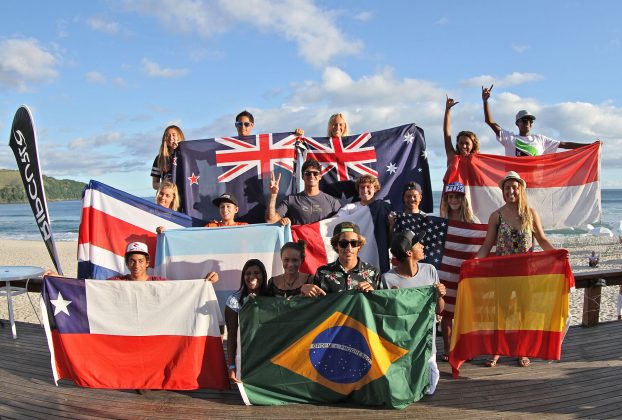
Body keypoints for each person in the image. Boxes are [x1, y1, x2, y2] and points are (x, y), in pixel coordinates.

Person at [474, 171, 555, 368]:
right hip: (502, 273)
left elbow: (542, 240)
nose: (511, 191)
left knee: (523, 313)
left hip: (526, 273)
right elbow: (486, 246)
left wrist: (557, 254)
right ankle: (497, 351)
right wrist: (475, 261)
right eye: (507, 188)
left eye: (514, 188)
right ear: (502, 191)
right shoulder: (497, 216)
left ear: (521, 190)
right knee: (500, 313)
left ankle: (522, 350)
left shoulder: (530, 214)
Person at [382, 230, 446, 394]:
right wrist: (394, 301)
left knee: (429, 390)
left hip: (427, 346)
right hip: (402, 348)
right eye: (418, 244)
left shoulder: (430, 270)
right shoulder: (387, 280)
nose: (423, 246)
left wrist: (439, 296)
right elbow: (387, 320)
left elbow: (439, 309)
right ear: (409, 252)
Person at [482, 85, 592, 157]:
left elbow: (563, 144)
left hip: (535, 184)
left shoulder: (540, 139)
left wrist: (589, 146)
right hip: (515, 185)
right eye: (524, 120)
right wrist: (485, 101)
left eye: (530, 121)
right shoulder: (509, 138)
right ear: (517, 123)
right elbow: (490, 122)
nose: (528, 123)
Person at [437, 181, 479, 360]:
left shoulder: (472, 221)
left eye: (457, 197)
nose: (453, 200)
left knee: (464, 313)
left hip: (464, 273)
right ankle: (447, 349)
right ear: (446, 199)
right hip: (444, 272)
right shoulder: (441, 221)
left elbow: (480, 244)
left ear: (463, 199)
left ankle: (464, 348)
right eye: (450, 197)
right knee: (446, 312)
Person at [301, 222, 385, 296]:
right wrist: (304, 290)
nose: (349, 247)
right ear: (336, 246)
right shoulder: (322, 273)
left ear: (359, 246)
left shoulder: (373, 272)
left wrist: (373, 294)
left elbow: (382, 307)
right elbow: (314, 306)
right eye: (343, 243)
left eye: (353, 243)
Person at [224, 259, 268, 383]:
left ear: (263, 275)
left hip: (267, 359)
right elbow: (231, 337)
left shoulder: (272, 297)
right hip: (244, 360)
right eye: (247, 273)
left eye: (256, 273)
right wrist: (231, 366)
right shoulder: (234, 301)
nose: (252, 277)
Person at [338, 174, 392, 273]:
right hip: (355, 253)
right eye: (362, 187)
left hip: (376, 253)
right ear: (358, 190)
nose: (365, 190)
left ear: (375, 189)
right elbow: (334, 223)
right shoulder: (349, 208)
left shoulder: (383, 207)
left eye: (369, 187)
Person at [266, 158, 341, 225]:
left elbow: (340, 224)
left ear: (320, 176)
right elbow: (271, 220)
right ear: (302, 176)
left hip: (322, 240)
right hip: (299, 240)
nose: (311, 176)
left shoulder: (332, 202)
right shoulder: (291, 200)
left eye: (315, 173)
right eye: (307, 173)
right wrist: (273, 195)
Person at [107, 242, 219, 282]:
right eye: (132, 261)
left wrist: (205, 282)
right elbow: (95, 288)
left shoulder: (159, 282)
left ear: (147, 263)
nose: (137, 265)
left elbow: (184, 289)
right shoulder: (117, 282)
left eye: (140, 261)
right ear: (127, 263)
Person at [443, 95, 480, 165]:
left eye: (467, 143)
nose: (464, 146)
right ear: (457, 144)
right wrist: (448, 109)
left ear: (473, 145)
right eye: (461, 143)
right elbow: (446, 133)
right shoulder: (452, 156)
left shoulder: (478, 161)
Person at [152, 125, 185, 190]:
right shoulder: (159, 158)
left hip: (185, 194)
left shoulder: (187, 155)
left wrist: (179, 150)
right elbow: (155, 183)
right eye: (168, 135)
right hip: (169, 197)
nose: (171, 137)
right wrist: (165, 185)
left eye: (173, 135)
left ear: (179, 136)